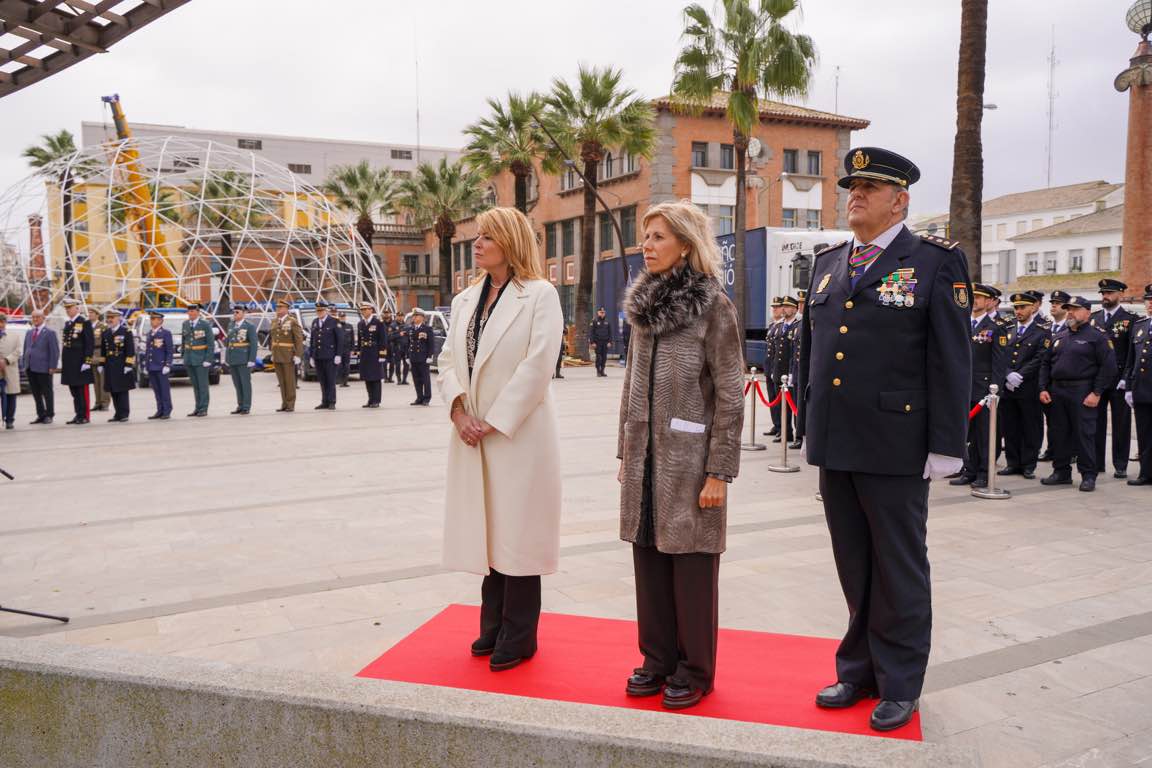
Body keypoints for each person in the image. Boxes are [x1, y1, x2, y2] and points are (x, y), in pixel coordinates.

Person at [797, 147, 972, 732]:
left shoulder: (933, 261)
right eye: (853, 186)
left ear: (900, 200)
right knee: (853, 562)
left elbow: (951, 358)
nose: (856, 195)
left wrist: (947, 444)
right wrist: (807, 424)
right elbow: (813, 353)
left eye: (870, 187)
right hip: (837, 438)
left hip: (897, 442)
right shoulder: (827, 262)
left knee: (898, 565)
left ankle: (900, 681)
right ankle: (858, 669)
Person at [615, 200, 744, 711]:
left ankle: (695, 669)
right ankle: (658, 658)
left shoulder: (713, 305)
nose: (647, 245)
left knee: (691, 568)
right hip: (645, 458)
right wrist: (625, 451)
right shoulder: (644, 306)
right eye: (645, 236)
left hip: (690, 461)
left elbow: (732, 393)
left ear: (686, 246)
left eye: (658, 237)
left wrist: (720, 470)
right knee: (648, 558)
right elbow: (629, 386)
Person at [438, 207, 563, 672]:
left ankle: (520, 632)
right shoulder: (466, 299)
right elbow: (448, 359)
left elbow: (539, 364)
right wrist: (457, 410)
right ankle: (491, 623)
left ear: (509, 242)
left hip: (518, 435)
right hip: (471, 433)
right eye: (477, 236)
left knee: (519, 534)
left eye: (487, 236)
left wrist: (491, 419)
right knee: (488, 530)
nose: (477, 242)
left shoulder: (540, 295)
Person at [1039, 296, 1117, 492]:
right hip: (1058, 391)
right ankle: (1061, 472)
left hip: (1082, 390)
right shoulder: (1060, 336)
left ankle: (1088, 475)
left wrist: (1097, 392)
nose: (1071, 312)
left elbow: (1108, 367)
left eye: (1076, 309)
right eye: (1069, 309)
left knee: (1084, 435)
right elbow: (1046, 364)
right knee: (1058, 433)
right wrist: (1043, 388)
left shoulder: (1097, 337)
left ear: (1088, 312)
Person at [951, 284, 1007, 488]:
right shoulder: (965, 324)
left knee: (984, 434)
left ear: (989, 301)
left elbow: (999, 362)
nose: (975, 301)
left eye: (981, 297)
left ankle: (984, 472)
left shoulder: (996, 327)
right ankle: (970, 470)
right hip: (964, 387)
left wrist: (995, 389)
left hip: (984, 389)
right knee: (968, 433)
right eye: (973, 297)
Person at [998, 292, 1051, 479]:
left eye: (1022, 307)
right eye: (1016, 308)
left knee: (1030, 426)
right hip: (1008, 386)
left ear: (1032, 308)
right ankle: (1013, 462)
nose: (1018, 311)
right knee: (1010, 426)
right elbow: (999, 354)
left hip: (1028, 386)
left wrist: (1020, 375)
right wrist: (1007, 374)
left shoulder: (1042, 330)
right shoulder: (1007, 328)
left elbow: (1041, 357)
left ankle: (1029, 464)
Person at [1090, 279, 1135, 479]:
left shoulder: (1130, 319)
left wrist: (1126, 378)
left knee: (1121, 424)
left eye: (1109, 293)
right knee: (1096, 423)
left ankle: (1120, 464)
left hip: (1119, 380)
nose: (1105, 297)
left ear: (1121, 294)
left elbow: (1131, 353)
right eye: (1103, 293)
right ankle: (1098, 463)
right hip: (1097, 380)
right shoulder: (1093, 318)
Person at [1038, 290, 1072, 462]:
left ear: (1066, 308)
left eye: (1058, 303)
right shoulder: (1047, 327)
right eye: (1052, 303)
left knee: (1065, 420)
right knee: (1051, 420)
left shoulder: (1070, 328)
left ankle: (1069, 451)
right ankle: (1052, 449)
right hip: (1048, 380)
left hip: (1064, 381)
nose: (1053, 306)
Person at [1123, 283, 1152, 486]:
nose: (1150, 304)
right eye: (1148, 300)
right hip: (1141, 389)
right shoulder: (1140, 325)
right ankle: (1146, 473)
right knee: (1143, 433)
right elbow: (1131, 359)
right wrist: (1128, 386)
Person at [60, 297, 94, 425]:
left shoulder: (84, 322)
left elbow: (89, 343)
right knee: (74, 391)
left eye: (70, 308)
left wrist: (87, 361)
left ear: (77, 308)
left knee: (82, 391)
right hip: (70, 364)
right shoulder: (68, 323)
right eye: (66, 308)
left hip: (80, 363)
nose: (68, 310)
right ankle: (78, 414)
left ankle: (84, 415)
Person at [22, 309, 59, 425]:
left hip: (44, 368)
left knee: (47, 392)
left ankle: (49, 414)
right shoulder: (29, 332)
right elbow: (26, 349)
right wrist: (25, 364)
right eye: (33, 317)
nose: (35, 319)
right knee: (36, 393)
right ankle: (41, 414)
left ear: (43, 318)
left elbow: (54, 351)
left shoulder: (49, 333)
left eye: (37, 317)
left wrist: (53, 366)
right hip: (31, 367)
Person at [100, 306, 136, 422]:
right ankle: (117, 413)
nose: (110, 320)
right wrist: (101, 363)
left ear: (119, 318)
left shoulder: (126, 332)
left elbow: (130, 350)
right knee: (113, 390)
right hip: (110, 364)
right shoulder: (106, 332)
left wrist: (128, 365)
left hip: (121, 364)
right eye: (108, 317)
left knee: (122, 390)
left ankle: (124, 414)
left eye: (112, 317)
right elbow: (103, 350)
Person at [773, 296, 800, 445]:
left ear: (795, 309)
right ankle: (784, 431)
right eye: (783, 306)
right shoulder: (779, 325)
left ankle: (798, 436)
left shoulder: (797, 325)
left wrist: (791, 372)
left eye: (787, 306)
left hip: (790, 371)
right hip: (779, 370)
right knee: (781, 405)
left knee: (794, 405)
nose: (784, 309)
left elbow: (793, 351)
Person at [270, 299, 303, 412]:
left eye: (280, 308)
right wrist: (272, 352)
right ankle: (284, 403)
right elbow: (273, 338)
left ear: (286, 309)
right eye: (277, 308)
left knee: (289, 381)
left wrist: (298, 355)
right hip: (277, 354)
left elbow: (298, 339)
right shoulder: (274, 321)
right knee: (282, 381)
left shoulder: (292, 321)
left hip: (288, 355)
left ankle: (290, 404)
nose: (278, 310)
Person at [225, 303, 258, 415]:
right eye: (234, 312)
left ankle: (246, 406)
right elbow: (228, 343)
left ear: (244, 313)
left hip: (244, 358)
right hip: (233, 358)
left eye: (237, 312)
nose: (235, 314)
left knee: (245, 383)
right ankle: (240, 405)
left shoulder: (249, 326)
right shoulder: (231, 325)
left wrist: (251, 359)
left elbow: (253, 344)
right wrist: (227, 358)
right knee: (237, 384)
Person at [182, 303, 213, 417]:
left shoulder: (205, 324)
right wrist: (184, 356)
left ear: (198, 312)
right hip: (190, 358)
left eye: (193, 311)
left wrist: (208, 359)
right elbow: (184, 341)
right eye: (189, 311)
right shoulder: (185, 324)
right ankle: (197, 407)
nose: (190, 313)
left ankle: (203, 408)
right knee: (195, 385)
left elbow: (210, 343)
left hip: (201, 359)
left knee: (202, 385)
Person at [310, 301, 340, 409]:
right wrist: (312, 356)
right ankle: (324, 401)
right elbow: (312, 340)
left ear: (326, 310)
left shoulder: (334, 321)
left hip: (330, 356)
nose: (319, 312)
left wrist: (338, 355)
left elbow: (339, 339)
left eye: (321, 310)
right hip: (318, 356)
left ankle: (332, 401)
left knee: (330, 380)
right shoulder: (315, 322)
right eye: (317, 311)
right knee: (322, 380)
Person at [144, 310, 173, 420]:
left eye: (155, 319)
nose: (152, 321)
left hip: (161, 366)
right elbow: (148, 351)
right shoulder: (150, 333)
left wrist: (167, 364)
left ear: (161, 321)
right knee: (156, 390)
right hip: (152, 366)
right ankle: (159, 410)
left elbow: (169, 350)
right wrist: (147, 365)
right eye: (151, 319)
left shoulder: (166, 333)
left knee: (164, 390)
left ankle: (167, 410)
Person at [357, 302, 387, 408]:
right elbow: (360, 340)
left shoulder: (378, 323)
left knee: (375, 378)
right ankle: (370, 399)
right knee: (367, 378)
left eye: (366, 309)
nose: (364, 312)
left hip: (375, 352)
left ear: (371, 310)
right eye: (362, 310)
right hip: (365, 353)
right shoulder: (360, 324)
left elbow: (383, 340)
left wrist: (382, 355)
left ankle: (376, 400)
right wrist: (358, 352)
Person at [763, 298, 783, 436]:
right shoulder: (772, 326)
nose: (774, 309)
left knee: (779, 399)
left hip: (778, 369)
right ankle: (776, 425)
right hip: (769, 367)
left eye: (777, 307)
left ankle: (782, 426)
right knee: (772, 398)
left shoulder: (782, 326)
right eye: (773, 307)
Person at [408, 308, 434, 406]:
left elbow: (431, 344)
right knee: (416, 379)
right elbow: (409, 343)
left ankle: (427, 398)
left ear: (422, 317)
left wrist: (430, 356)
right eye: (413, 316)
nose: (414, 318)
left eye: (416, 316)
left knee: (425, 379)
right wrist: (407, 356)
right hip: (413, 357)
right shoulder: (411, 329)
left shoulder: (427, 329)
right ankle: (419, 397)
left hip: (423, 358)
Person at [0, 313, 20, 429]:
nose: (0, 325)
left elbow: (18, 351)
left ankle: (10, 419)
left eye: (2, 322)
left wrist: (7, 360)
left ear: (5, 323)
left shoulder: (14, 336)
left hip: (10, 370)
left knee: (11, 395)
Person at [88, 308, 110, 412]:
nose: (89, 314)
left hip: (100, 352)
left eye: (92, 313)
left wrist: (103, 359)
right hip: (92, 355)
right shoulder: (88, 326)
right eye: (89, 313)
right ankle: (98, 402)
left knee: (103, 381)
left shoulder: (102, 326)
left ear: (97, 315)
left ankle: (105, 403)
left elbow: (106, 342)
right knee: (96, 382)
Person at [590, 307, 614, 377]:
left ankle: (602, 371)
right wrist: (592, 342)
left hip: (605, 343)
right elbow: (591, 333)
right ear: (598, 313)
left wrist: (610, 342)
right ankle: (598, 371)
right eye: (601, 312)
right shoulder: (594, 321)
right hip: (597, 342)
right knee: (599, 357)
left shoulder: (607, 321)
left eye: (603, 312)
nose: (602, 314)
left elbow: (610, 333)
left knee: (604, 357)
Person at [336, 310, 353, 387]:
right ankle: (340, 381)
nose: (342, 318)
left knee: (346, 366)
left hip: (347, 349)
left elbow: (352, 338)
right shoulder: (336, 326)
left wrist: (352, 349)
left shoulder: (349, 326)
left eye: (343, 317)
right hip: (338, 349)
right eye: (341, 317)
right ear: (338, 317)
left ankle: (345, 381)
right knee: (339, 366)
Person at [381, 308, 398, 383]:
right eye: (385, 313)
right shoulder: (380, 323)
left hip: (392, 345)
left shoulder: (394, 324)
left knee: (392, 362)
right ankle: (385, 378)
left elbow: (397, 334)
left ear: (390, 314)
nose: (386, 314)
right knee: (383, 362)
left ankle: (390, 378)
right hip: (383, 346)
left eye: (387, 313)